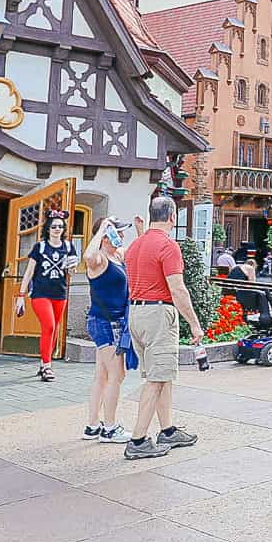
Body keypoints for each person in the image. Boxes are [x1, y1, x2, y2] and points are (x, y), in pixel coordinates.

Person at [121, 196, 204, 459]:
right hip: (159, 313)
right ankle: (138, 440)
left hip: (136, 312)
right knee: (156, 380)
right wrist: (194, 323)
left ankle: (167, 430)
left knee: (161, 374)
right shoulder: (168, 246)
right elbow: (177, 289)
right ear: (172, 217)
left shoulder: (136, 244)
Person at [81, 216, 134, 443]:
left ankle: (92, 425)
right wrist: (102, 228)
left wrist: (142, 229)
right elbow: (87, 256)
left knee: (102, 376)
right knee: (117, 375)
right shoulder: (99, 259)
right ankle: (110, 428)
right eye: (117, 231)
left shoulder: (117, 256)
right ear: (105, 236)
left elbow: (137, 255)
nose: (121, 235)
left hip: (111, 322)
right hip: (105, 322)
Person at [14, 208, 77, 382]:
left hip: (59, 293)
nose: (57, 229)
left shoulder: (69, 246)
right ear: (47, 228)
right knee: (48, 326)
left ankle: (44, 362)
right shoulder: (40, 247)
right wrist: (21, 295)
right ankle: (47, 366)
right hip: (41, 293)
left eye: (60, 226)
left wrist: (72, 266)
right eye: (54, 226)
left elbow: (70, 272)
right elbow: (29, 271)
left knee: (55, 328)